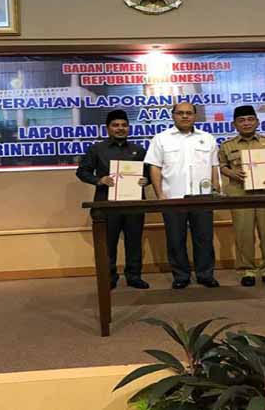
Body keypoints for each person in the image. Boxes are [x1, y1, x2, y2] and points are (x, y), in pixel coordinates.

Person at [144, 102, 220, 289]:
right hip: (173, 197)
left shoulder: (207, 138)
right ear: (173, 115)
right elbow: (154, 167)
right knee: (175, 239)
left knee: (204, 238)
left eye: (188, 113)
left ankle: (205, 274)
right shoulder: (161, 139)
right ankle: (181, 276)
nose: (185, 116)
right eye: (180, 113)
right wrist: (160, 194)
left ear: (195, 116)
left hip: (202, 197)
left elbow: (214, 167)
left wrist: (216, 191)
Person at [76, 109, 150, 290]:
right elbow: (82, 172)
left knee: (134, 242)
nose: (120, 128)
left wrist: (146, 180)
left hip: (133, 205)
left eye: (124, 125)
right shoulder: (97, 149)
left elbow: (149, 173)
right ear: (108, 128)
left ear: (129, 128)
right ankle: (109, 276)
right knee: (108, 243)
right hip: (106, 205)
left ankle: (134, 276)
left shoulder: (139, 150)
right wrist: (99, 180)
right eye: (115, 125)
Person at [218, 105, 265, 287]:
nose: (246, 123)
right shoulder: (227, 145)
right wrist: (231, 173)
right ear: (234, 124)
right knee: (243, 233)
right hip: (240, 194)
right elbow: (221, 166)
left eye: (250, 119)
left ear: (257, 122)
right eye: (241, 120)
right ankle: (247, 270)